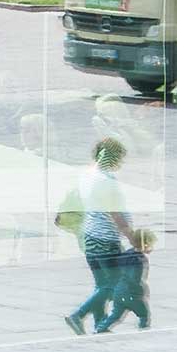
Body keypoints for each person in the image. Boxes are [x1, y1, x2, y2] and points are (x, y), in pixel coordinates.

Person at [65, 138, 136, 335]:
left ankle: (99, 325)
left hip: (89, 237)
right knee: (112, 284)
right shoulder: (106, 181)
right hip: (106, 239)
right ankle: (78, 315)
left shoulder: (87, 175)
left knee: (100, 284)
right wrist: (131, 237)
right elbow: (116, 215)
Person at [96, 228, 155, 333]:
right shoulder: (139, 260)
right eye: (150, 243)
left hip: (119, 291)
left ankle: (100, 328)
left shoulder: (128, 253)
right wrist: (143, 291)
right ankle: (144, 330)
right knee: (143, 314)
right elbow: (134, 279)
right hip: (131, 294)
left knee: (116, 315)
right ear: (144, 244)